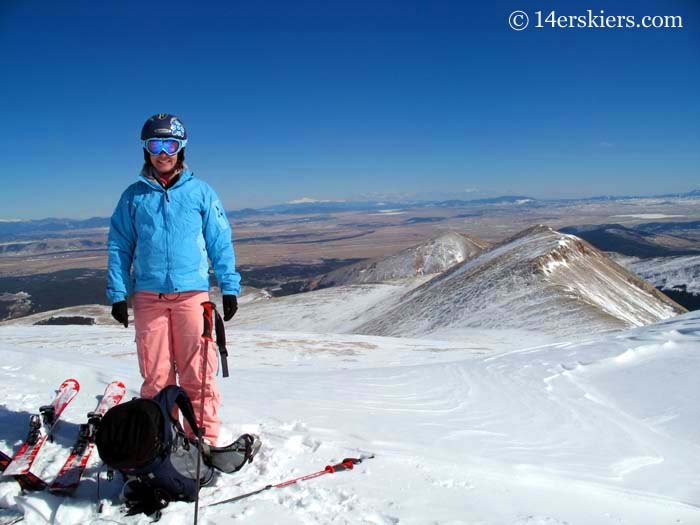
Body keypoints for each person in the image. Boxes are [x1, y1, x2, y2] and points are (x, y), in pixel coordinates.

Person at [106, 113, 240, 445]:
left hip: (192, 295)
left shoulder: (201, 192)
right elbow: (120, 245)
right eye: (155, 144)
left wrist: (229, 287)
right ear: (145, 149)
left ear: (181, 148)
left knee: (198, 374)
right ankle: (161, 440)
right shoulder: (133, 196)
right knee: (157, 377)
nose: (163, 152)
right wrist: (118, 293)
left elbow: (219, 241)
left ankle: (202, 441)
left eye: (170, 144)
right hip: (149, 297)